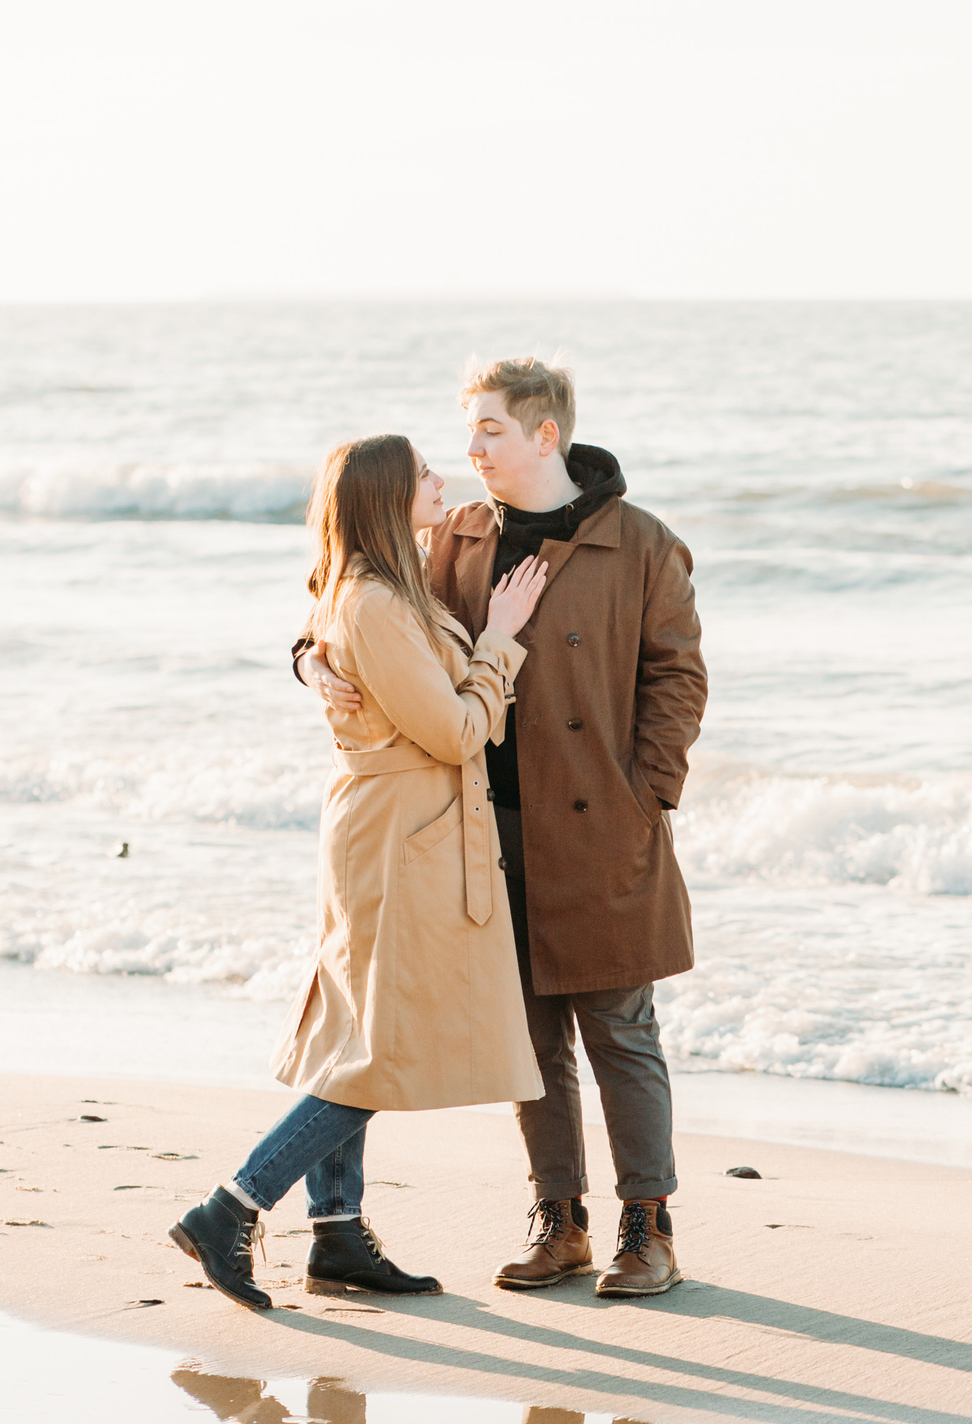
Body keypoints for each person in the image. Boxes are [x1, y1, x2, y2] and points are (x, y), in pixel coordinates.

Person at [299, 358, 705, 1299]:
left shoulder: (642, 544)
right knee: (528, 1041)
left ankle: (649, 1227)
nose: (470, 450)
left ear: (543, 435)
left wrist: (649, 796)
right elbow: (350, 600)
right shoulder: (455, 536)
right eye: (468, 431)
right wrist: (307, 661)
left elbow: (678, 681)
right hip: (482, 835)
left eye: (487, 431)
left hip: (607, 833)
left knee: (621, 1034)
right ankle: (558, 1221)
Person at [173, 434, 550, 1310]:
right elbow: (456, 731)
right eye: (423, 473)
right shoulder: (376, 601)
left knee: (357, 1037)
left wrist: (309, 656)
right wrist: (500, 642)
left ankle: (336, 1232)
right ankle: (230, 1207)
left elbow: (335, 633)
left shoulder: (390, 581)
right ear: (385, 497)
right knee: (382, 1051)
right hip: (398, 838)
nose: (440, 480)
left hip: (390, 828)